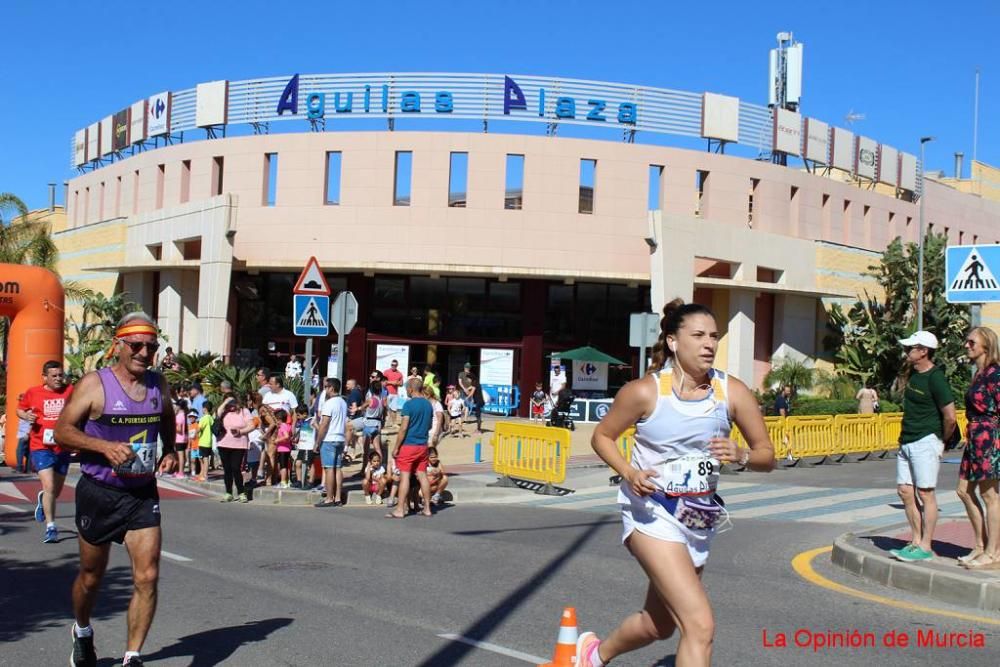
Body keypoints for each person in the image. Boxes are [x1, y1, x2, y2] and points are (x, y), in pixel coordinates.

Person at [579, 299, 774, 667]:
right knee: (700, 626)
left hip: (698, 519)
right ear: (672, 341)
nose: (709, 344)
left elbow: (767, 455)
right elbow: (602, 437)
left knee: (659, 626)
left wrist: (741, 454)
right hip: (651, 515)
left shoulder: (731, 391)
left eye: (714, 336)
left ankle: (593, 654)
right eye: (698, 335)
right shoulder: (645, 392)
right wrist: (629, 472)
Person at [54, 312, 175, 667]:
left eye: (151, 346)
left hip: (141, 494)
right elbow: (62, 432)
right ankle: (81, 629)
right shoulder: (95, 384)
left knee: (148, 574)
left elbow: (166, 416)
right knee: (92, 577)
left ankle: (132, 656)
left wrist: (170, 449)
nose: (143, 352)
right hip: (99, 492)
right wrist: (103, 447)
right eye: (136, 345)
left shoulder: (158, 385)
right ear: (118, 346)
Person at [889, 330, 957, 563]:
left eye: (911, 348)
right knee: (905, 491)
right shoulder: (913, 375)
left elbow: (950, 416)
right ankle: (915, 541)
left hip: (926, 440)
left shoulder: (935, 377)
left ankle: (926, 546)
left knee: (926, 493)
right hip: (906, 440)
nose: (907, 351)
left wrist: (942, 440)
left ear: (924, 351)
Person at [955, 326, 1000, 569]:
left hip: (989, 437)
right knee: (963, 490)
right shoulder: (980, 374)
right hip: (974, 437)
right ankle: (981, 546)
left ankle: (994, 552)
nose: (967, 345)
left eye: (971, 342)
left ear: (986, 345)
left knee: (990, 496)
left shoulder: (995, 374)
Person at [17, 360, 74, 543]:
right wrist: (26, 416)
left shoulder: (69, 390)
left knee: (55, 492)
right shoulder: (33, 392)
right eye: (54, 376)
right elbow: (20, 409)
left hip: (62, 446)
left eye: (60, 375)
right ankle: (51, 527)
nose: (58, 379)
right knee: (49, 486)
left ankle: (43, 501)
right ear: (45, 377)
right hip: (40, 446)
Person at [387, 377, 435, 518]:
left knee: (405, 476)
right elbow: (430, 426)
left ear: (411, 389)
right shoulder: (428, 405)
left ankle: (400, 509)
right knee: (422, 475)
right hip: (422, 445)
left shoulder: (408, 405)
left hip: (409, 445)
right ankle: (427, 508)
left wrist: (396, 447)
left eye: (407, 388)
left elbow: (403, 428)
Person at [314, 378, 347, 507]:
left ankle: (329, 498)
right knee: (338, 468)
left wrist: (318, 441)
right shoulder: (343, 402)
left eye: (326, 387)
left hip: (329, 439)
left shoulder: (329, 403)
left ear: (331, 388)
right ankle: (338, 497)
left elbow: (325, 424)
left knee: (329, 469)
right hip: (340, 438)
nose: (325, 390)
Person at [217, 396, 253, 503]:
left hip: (239, 444)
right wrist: (224, 403)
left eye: (233, 403)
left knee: (236, 468)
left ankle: (241, 492)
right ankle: (228, 493)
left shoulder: (244, 411)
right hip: (223, 443)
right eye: (229, 403)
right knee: (227, 469)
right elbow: (217, 414)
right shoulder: (224, 411)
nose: (231, 405)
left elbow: (251, 425)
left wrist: (240, 431)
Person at [273, 409, 293, 488]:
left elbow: (286, 436)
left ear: (280, 419)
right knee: (285, 465)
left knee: (283, 466)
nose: (276, 422)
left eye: (277, 419)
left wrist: (277, 440)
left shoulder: (283, 426)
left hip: (283, 449)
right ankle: (287, 481)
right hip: (287, 448)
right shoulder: (288, 426)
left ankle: (283, 482)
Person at [171, 399, 189, 479]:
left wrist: (172, 426)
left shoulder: (179, 416)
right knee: (183, 456)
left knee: (180, 456)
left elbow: (179, 429)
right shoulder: (185, 415)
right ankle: (180, 471)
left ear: (179, 406)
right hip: (185, 437)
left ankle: (181, 472)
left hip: (179, 438)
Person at [383, 359, 404, 428]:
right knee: (385, 408)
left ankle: (393, 423)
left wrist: (396, 383)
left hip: (395, 393)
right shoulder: (386, 372)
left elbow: (401, 384)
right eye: (392, 365)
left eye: (395, 365)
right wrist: (393, 382)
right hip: (387, 393)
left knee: (394, 409)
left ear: (397, 365)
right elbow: (383, 382)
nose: (393, 366)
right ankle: (384, 421)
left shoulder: (399, 373)